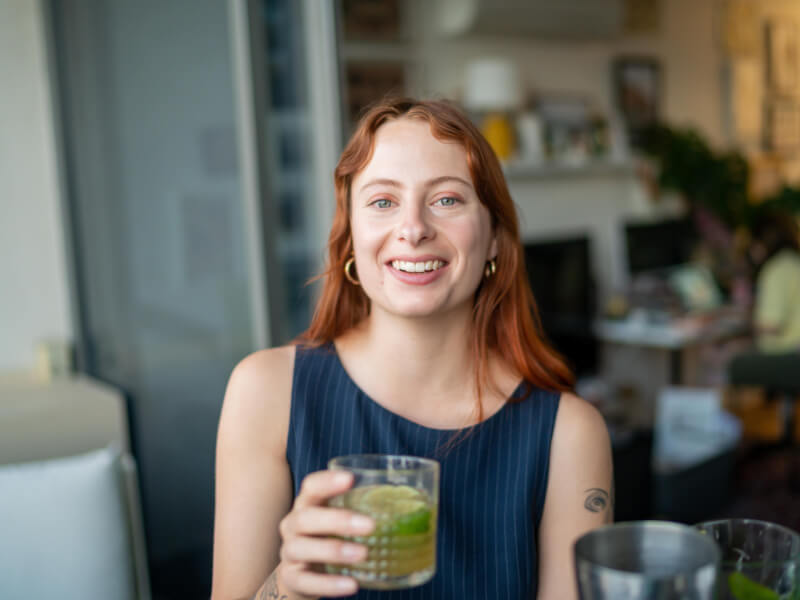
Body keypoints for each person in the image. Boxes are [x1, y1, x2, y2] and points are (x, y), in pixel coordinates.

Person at [211, 98, 613, 600]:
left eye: (446, 199)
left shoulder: (570, 434)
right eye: (383, 202)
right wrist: (286, 589)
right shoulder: (266, 393)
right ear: (352, 239)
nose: (414, 228)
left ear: (493, 237)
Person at [750, 210, 800, 353]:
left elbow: (770, 325)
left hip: (786, 353)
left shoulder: (775, 269)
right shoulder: (793, 262)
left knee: (725, 358)